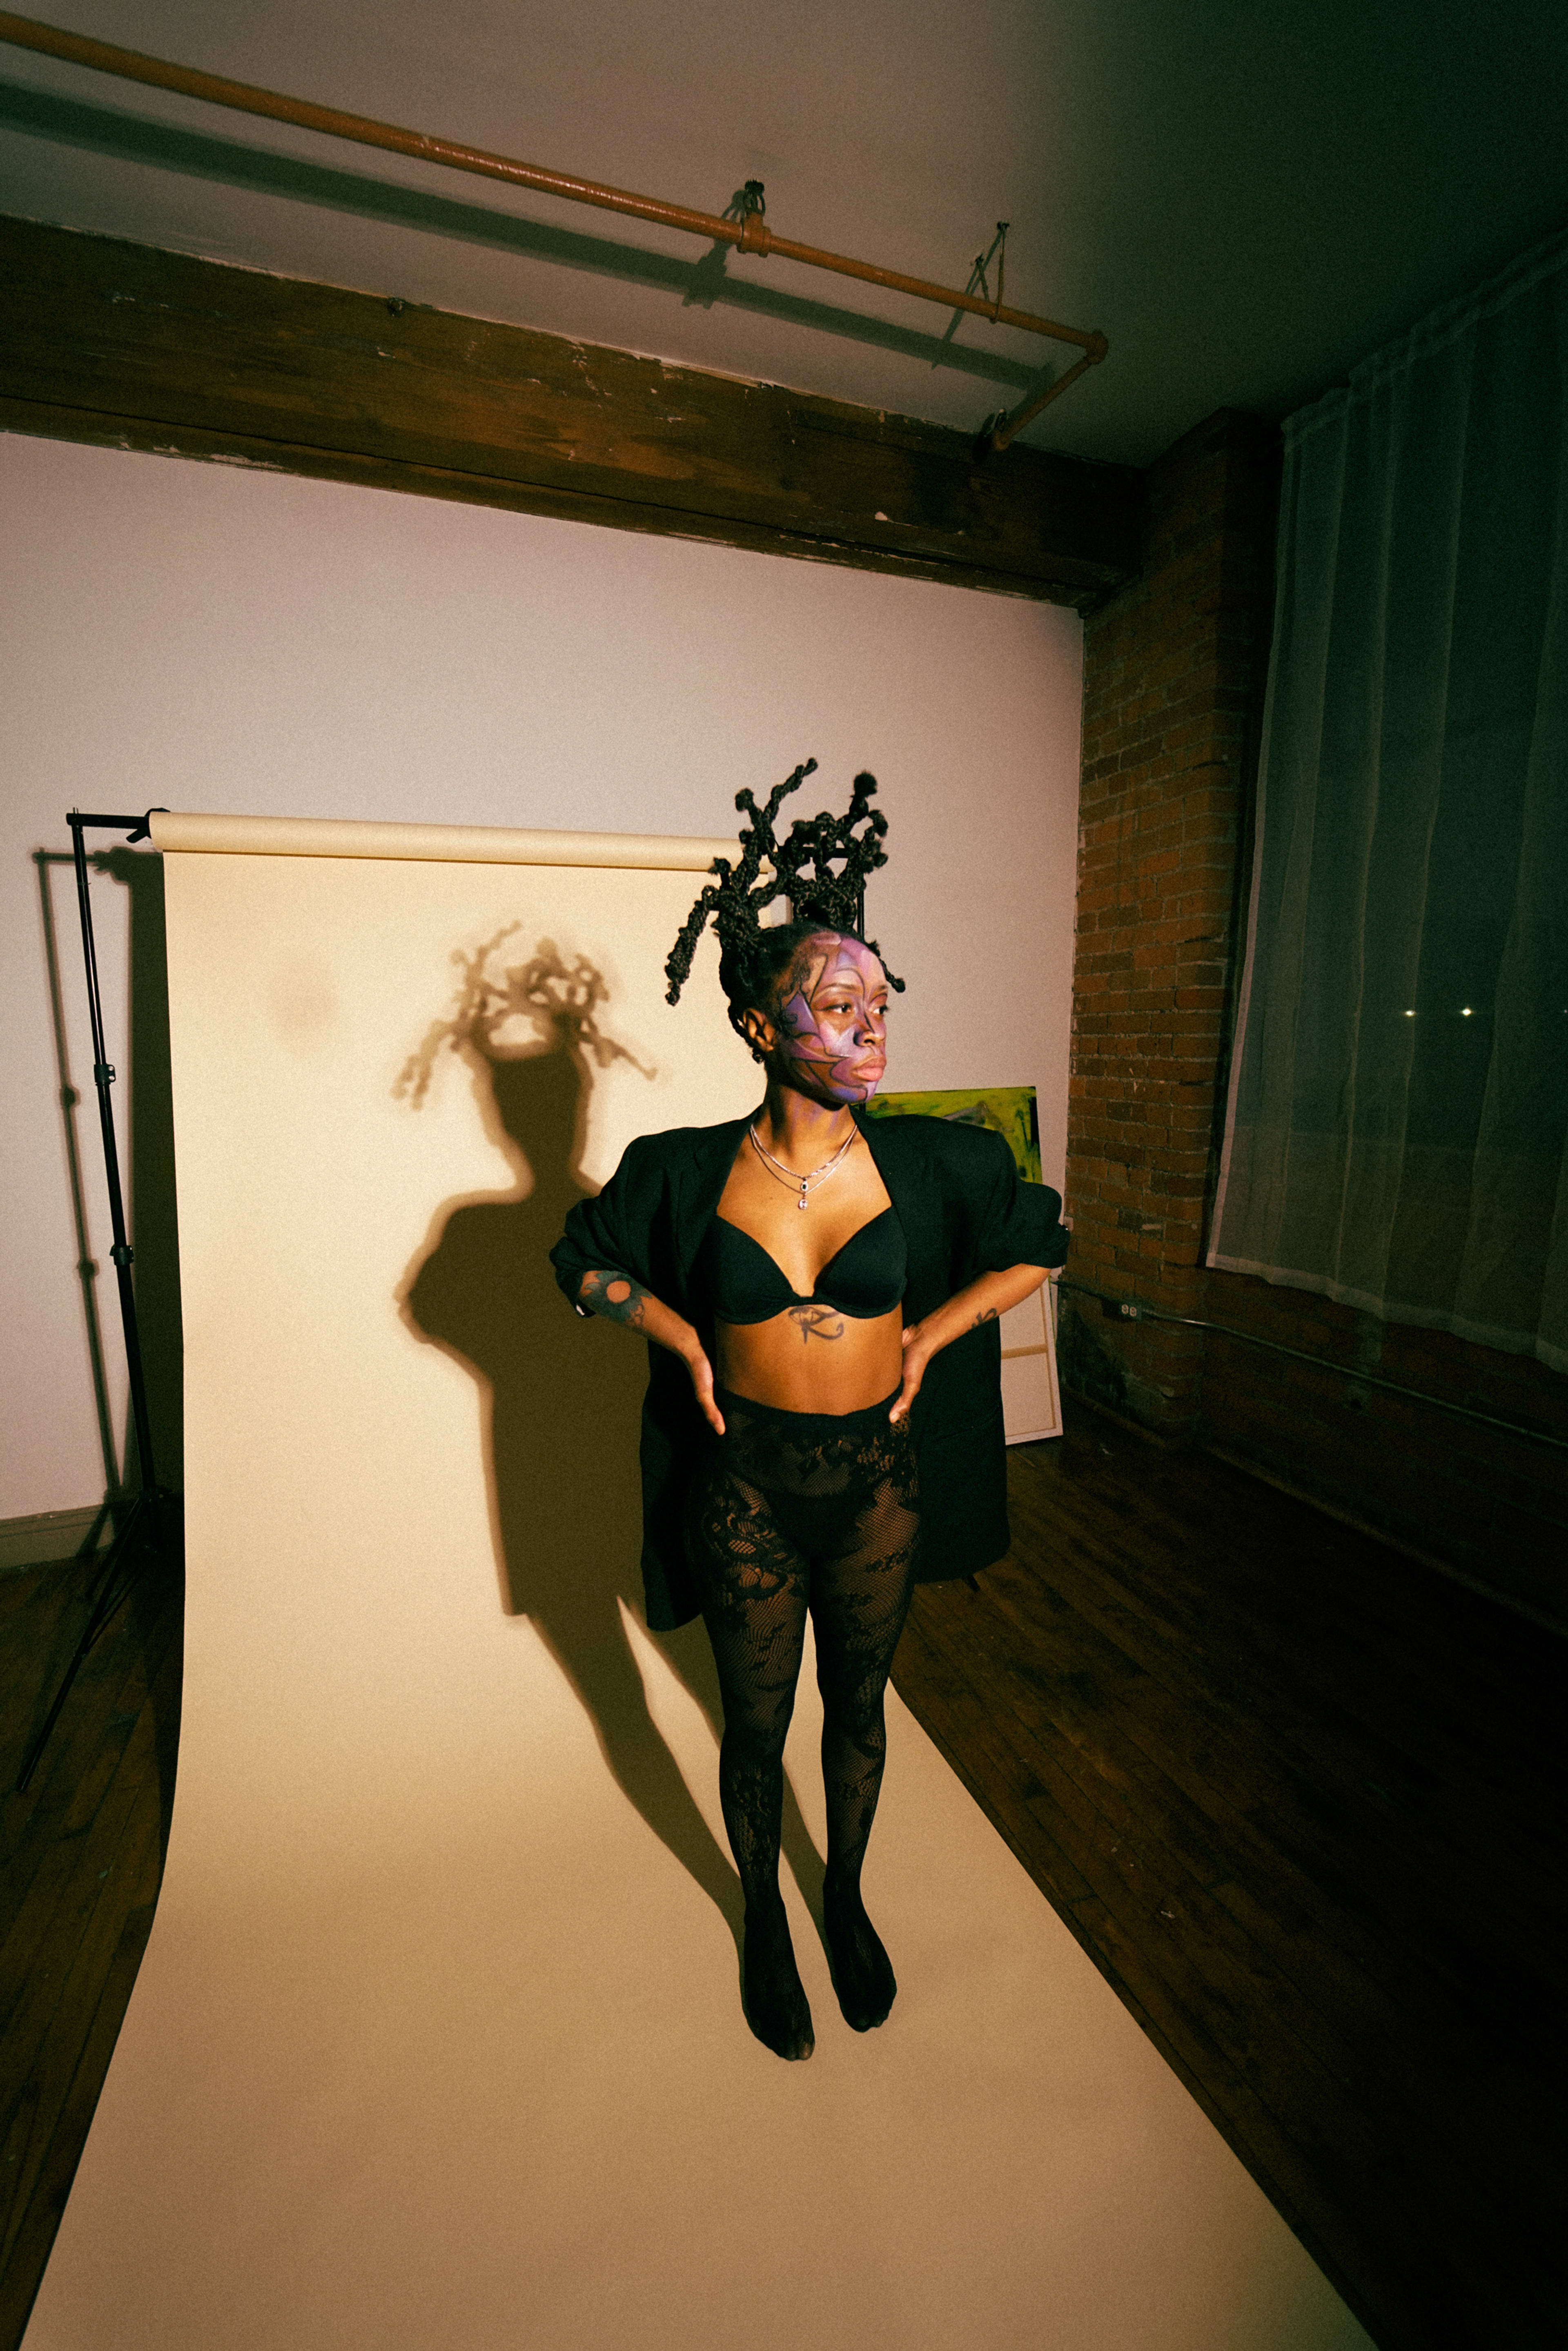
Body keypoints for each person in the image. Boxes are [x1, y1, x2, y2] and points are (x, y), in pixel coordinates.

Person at [550, 764, 1068, 2060]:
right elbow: (580, 1263)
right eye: (841, 1007)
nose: (873, 1030)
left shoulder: (941, 1158)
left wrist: (935, 1339)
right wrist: (679, 1338)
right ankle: (763, 1924)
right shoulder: (679, 1172)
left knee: (860, 1708)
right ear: (760, 1027)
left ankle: (840, 1897)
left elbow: (1041, 1246)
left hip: (875, 1485)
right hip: (749, 1489)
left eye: (880, 1003)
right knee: (758, 1719)